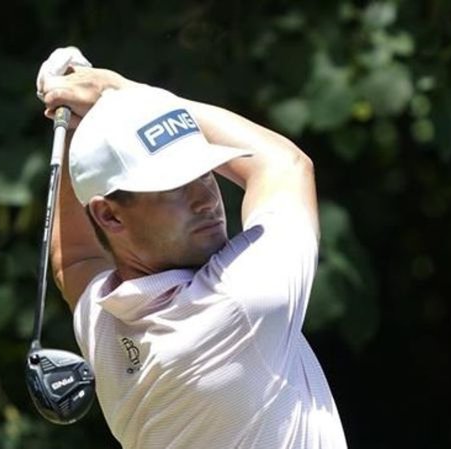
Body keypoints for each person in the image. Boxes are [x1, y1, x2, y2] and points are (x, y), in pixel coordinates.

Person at [35, 46, 348, 449]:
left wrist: (79, 127)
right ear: (109, 216)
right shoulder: (239, 303)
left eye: (204, 173)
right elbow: (285, 165)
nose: (206, 199)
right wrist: (123, 93)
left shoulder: (105, 325)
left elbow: (75, 258)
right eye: (176, 187)